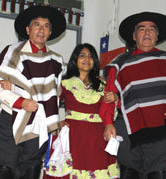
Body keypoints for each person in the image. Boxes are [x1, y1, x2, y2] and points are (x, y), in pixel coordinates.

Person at [100, 12, 166, 179]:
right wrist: (107, 124)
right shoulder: (120, 65)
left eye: (152, 29)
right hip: (127, 130)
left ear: (157, 36)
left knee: (158, 174)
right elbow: (109, 97)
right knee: (129, 174)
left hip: (158, 131)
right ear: (134, 36)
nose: (147, 33)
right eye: (142, 29)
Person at [0, 5, 66, 179]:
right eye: (37, 24)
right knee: (5, 164)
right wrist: (20, 101)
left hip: (40, 123)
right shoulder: (13, 52)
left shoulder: (57, 60)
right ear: (27, 29)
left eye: (46, 26)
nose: (41, 30)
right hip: (13, 117)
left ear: (50, 32)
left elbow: (56, 94)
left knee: (31, 166)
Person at [43, 43, 119, 179]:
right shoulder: (64, 83)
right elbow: (49, 105)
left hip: (97, 136)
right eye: (82, 55)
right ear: (74, 60)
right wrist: (56, 123)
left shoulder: (102, 85)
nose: (87, 59)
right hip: (74, 136)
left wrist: (115, 97)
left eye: (90, 56)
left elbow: (109, 111)